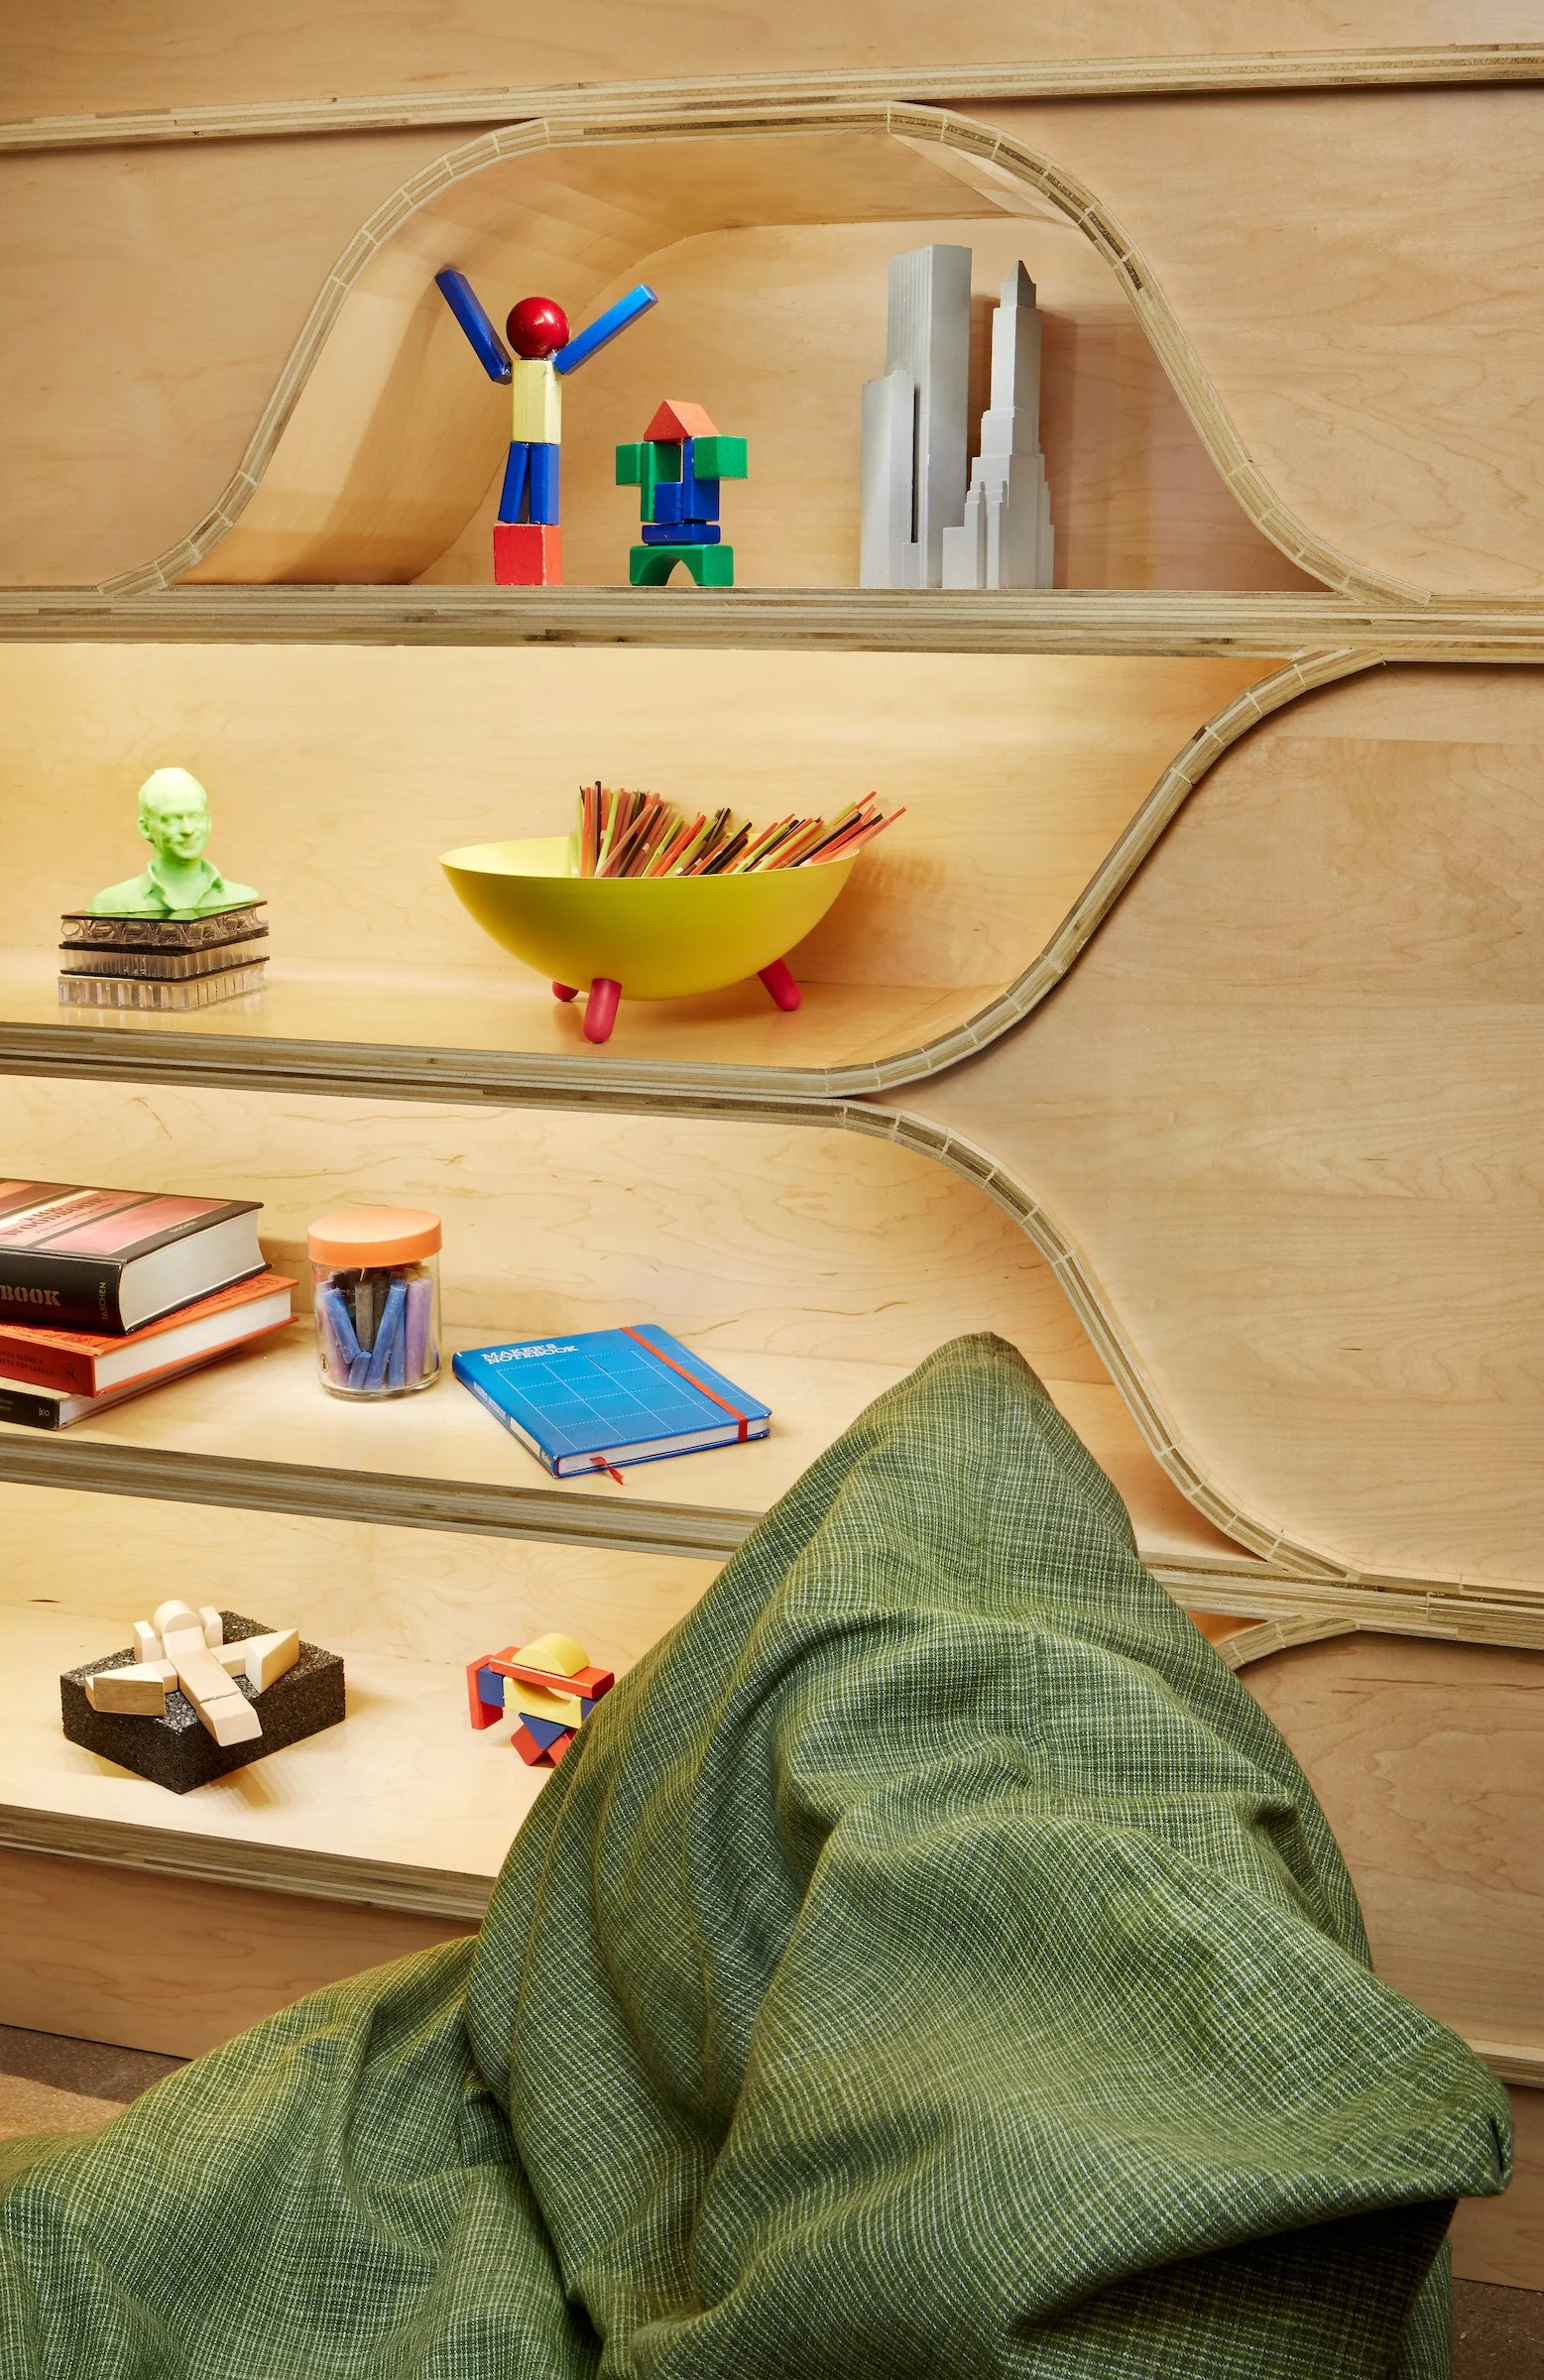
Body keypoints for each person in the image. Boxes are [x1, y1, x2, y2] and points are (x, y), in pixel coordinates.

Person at [87, 767, 258, 918]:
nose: (188, 829)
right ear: (145, 828)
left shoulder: (242, 898)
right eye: (172, 819)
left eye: (195, 816)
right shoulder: (110, 904)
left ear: (209, 821)